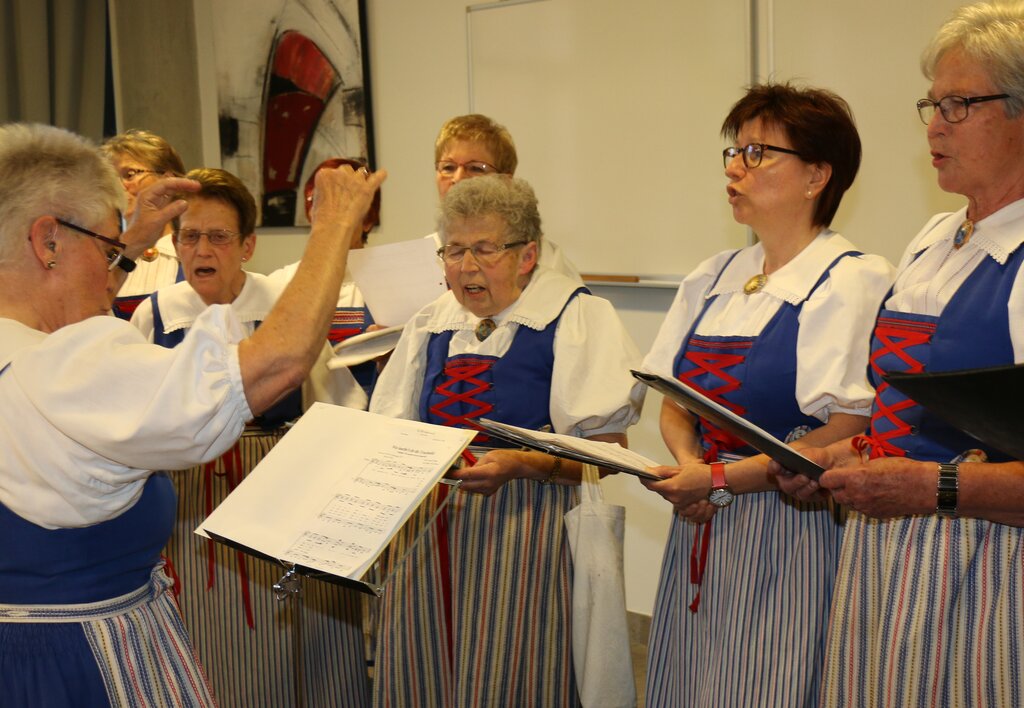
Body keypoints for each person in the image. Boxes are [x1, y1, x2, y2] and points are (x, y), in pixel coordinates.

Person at [0, 122, 384, 706]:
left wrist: (125, 240)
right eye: (106, 251)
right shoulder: (61, 369)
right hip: (80, 663)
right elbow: (276, 363)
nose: (113, 275)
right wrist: (334, 226)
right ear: (47, 240)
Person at [774, 3, 1024, 706]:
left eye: (958, 104)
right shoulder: (930, 240)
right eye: (931, 104)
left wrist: (935, 487)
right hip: (889, 549)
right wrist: (838, 460)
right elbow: (901, 412)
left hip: (989, 566)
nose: (933, 126)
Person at [639, 83, 895, 707]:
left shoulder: (853, 278)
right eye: (733, 151)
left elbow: (848, 426)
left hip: (790, 528)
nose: (734, 168)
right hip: (703, 517)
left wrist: (723, 479)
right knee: (691, 682)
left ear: (816, 175)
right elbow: (675, 400)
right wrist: (696, 468)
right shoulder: (713, 276)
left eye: (757, 153)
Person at [369, 174, 644, 706]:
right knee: (424, 670)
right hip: (429, 528)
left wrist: (521, 462)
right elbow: (392, 430)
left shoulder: (576, 316)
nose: (466, 266)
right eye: (453, 251)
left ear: (527, 255)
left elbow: (608, 452)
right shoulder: (430, 324)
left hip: (526, 528)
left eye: (485, 249)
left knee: (509, 677)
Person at [131, 167, 369, 706]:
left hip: (280, 488)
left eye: (218, 236)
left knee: (294, 643)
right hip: (192, 502)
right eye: (189, 236)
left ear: (247, 246)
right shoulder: (156, 315)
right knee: (211, 640)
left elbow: (342, 404)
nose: (202, 249)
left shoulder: (285, 309)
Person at [268, 157, 383, 395]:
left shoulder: (395, 283)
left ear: (368, 219)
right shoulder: (278, 285)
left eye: (345, 206)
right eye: (321, 204)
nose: (332, 217)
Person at [430, 113, 583, 282]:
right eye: (448, 167)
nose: (458, 178)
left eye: (475, 168)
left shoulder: (542, 260)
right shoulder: (421, 255)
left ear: (505, 181)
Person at [101, 129, 187, 319]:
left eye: (130, 174)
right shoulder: (100, 258)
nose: (118, 186)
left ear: (168, 181)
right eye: (112, 179)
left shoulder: (191, 253)